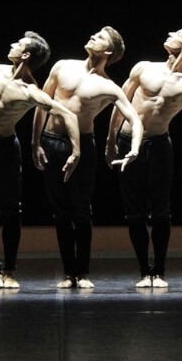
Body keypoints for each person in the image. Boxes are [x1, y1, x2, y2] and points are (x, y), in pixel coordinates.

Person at [0, 32, 81, 289]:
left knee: (11, 210)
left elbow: (68, 114)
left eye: (18, 44)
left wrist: (76, 150)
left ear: (25, 55)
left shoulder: (30, 90)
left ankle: (9, 270)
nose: (11, 45)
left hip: (5, 148)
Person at [108, 25, 182, 288]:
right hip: (129, 141)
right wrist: (111, 141)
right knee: (134, 211)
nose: (170, 33)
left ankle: (158, 271)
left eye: (178, 34)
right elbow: (121, 103)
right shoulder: (143, 67)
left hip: (160, 144)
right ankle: (143, 271)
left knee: (160, 211)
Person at [31, 27, 143, 289]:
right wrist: (35, 142)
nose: (93, 36)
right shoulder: (62, 66)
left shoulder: (108, 86)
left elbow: (134, 118)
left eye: (100, 37)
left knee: (81, 211)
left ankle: (82, 273)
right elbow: (42, 103)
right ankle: (68, 273)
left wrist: (134, 148)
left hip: (82, 145)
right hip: (51, 141)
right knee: (60, 213)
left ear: (108, 51)